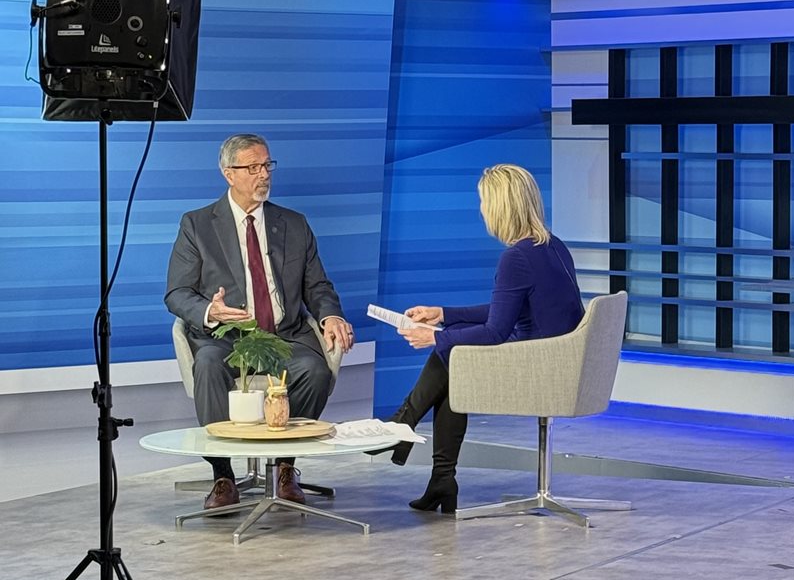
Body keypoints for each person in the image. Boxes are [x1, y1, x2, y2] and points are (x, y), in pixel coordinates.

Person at [379, 163, 584, 514]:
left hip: (542, 372)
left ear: (500, 206)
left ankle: (404, 424)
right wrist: (443, 314)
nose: (481, 210)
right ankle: (439, 477)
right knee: (453, 353)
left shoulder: (516, 257)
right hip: (562, 363)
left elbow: (495, 331)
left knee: (451, 351)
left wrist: (434, 337)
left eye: (484, 202)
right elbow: (510, 309)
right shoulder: (551, 246)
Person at [165, 133, 355, 510]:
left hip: (284, 335)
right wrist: (209, 311)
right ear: (228, 174)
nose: (263, 174)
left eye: (267, 165)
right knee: (206, 363)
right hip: (227, 337)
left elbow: (317, 284)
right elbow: (176, 293)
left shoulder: (294, 224)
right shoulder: (197, 224)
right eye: (252, 167)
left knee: (314, 370)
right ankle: (222, 476)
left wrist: (331, 314)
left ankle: (285, 468)